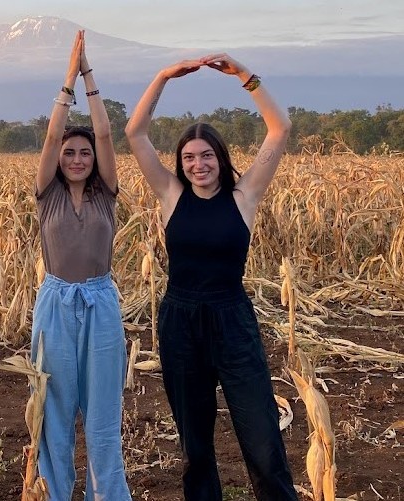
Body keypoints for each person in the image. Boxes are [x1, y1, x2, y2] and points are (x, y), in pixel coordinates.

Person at [124, 54, 297, 500]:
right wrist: (162, 76)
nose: (198, 164)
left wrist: (244, 75)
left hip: (231, 319)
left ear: (220, 158)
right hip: (180, 321)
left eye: (206, 155)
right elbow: (135, 133)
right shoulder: (170, 193)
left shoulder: (245, 196)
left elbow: (279, 129)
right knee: (195, 445)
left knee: (261, 436)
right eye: (189, 157)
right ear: (180, 164)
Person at [30, 30, 131, 500]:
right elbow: (53, 133)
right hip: (55, 304)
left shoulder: (105, 195)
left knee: (103, 414)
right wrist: (66, 79)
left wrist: (90, 75)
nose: (74, 158)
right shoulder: (47, 196)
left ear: (94, 160)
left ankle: (106, 495)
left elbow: (106, 132)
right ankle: (54, 493)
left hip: (100, 303)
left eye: (83, 152)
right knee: (53, 410)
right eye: (68, 153)